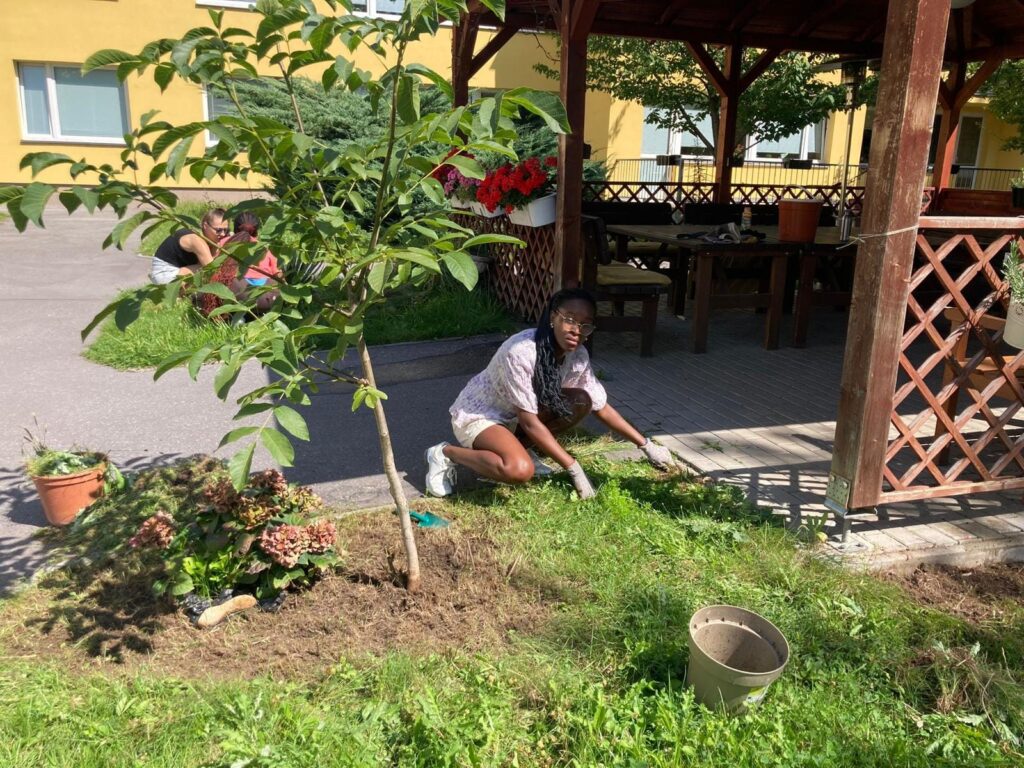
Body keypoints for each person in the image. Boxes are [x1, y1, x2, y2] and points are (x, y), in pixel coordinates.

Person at [425, 288, 676, 498]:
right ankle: (445, 453)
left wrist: (646, 445)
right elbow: (530, 421)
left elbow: (601, 406)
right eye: (569, 319)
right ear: (552, 317)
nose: (576, 330)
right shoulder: (521, 351)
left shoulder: (576, 355)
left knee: (581, 400)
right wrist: (572, 467)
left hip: (517, 419)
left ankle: (520, 446)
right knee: (519, 470)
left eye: (585, 325)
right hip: (483, 416)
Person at [149, 208, 229, 284]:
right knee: (206, 271)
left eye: (226, 230)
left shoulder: (208, 238)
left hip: (177, 270)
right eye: (218, 230)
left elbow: (215, 259)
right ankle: (180, 294)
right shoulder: (197, 241)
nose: (223, 234)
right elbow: (212, 269)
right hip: (164, 274)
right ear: (205, 226)